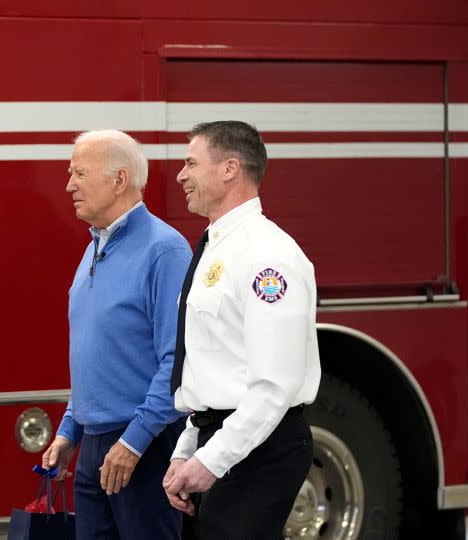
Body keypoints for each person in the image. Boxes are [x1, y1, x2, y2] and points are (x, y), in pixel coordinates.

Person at [162, 121, 322, 539]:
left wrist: (212, 459)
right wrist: (187, 450)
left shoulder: (268, 256)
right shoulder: (218, 246)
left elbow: (273, 386)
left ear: (230, 168)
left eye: (191, 163)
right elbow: (213, 366)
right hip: (224, 439)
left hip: (261, 446)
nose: (181, 175)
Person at [42, 129, 191, 540]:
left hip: (143, 444)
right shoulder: (94, 247)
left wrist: (134, 442)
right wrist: (70, 430)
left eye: (79, 173)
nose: (69, 185)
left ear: (119, 179)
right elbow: (99, 354)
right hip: (93, 447)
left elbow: (176, 360)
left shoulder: (165, 250)